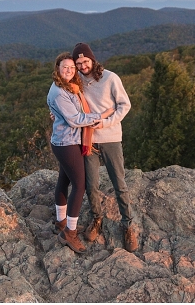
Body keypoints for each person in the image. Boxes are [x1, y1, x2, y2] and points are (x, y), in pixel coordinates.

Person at [71, 42, 138, 252]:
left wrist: (106, 123)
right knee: (91, 185)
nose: (82, 66)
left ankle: (128, 225)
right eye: (78, 63)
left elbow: (124, 105)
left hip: (110, 138)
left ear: (92, 59)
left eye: (85, 61)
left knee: (119, 183)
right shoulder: (76, 81)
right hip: (88, 139)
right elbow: (66, 101)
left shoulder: (110, 78)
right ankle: (96, 219)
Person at [47, 52, 115, 254]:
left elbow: (63, 111)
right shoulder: (60, 91)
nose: (68, 70)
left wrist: (56, 114)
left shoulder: (69, 87)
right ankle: (70, 232)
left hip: (65, 140)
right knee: (80, 184)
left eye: (71, 67)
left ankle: (61, 222)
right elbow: (75, 119)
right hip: (66, 143)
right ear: (57, 69)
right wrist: (101, 116)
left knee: (64, 180)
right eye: (64, 67)